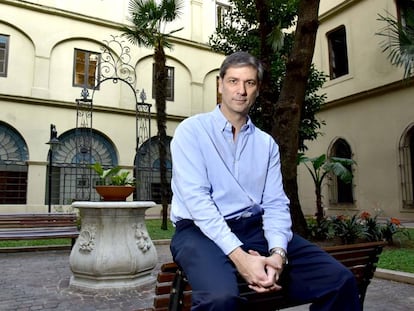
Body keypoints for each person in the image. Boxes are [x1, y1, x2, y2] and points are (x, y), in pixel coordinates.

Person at [169, 51, 361, 311]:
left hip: (254, 228)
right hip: (198, 231)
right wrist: (241, 258)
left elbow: (275, 203)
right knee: (220, 299)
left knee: (341, 281)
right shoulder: (191, 131)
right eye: (233, 81)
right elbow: (197, 202)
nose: (241, 91)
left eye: (249, 83)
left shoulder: (266, 144)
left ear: (257, 88)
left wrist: (278, 254)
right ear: (220, 84)